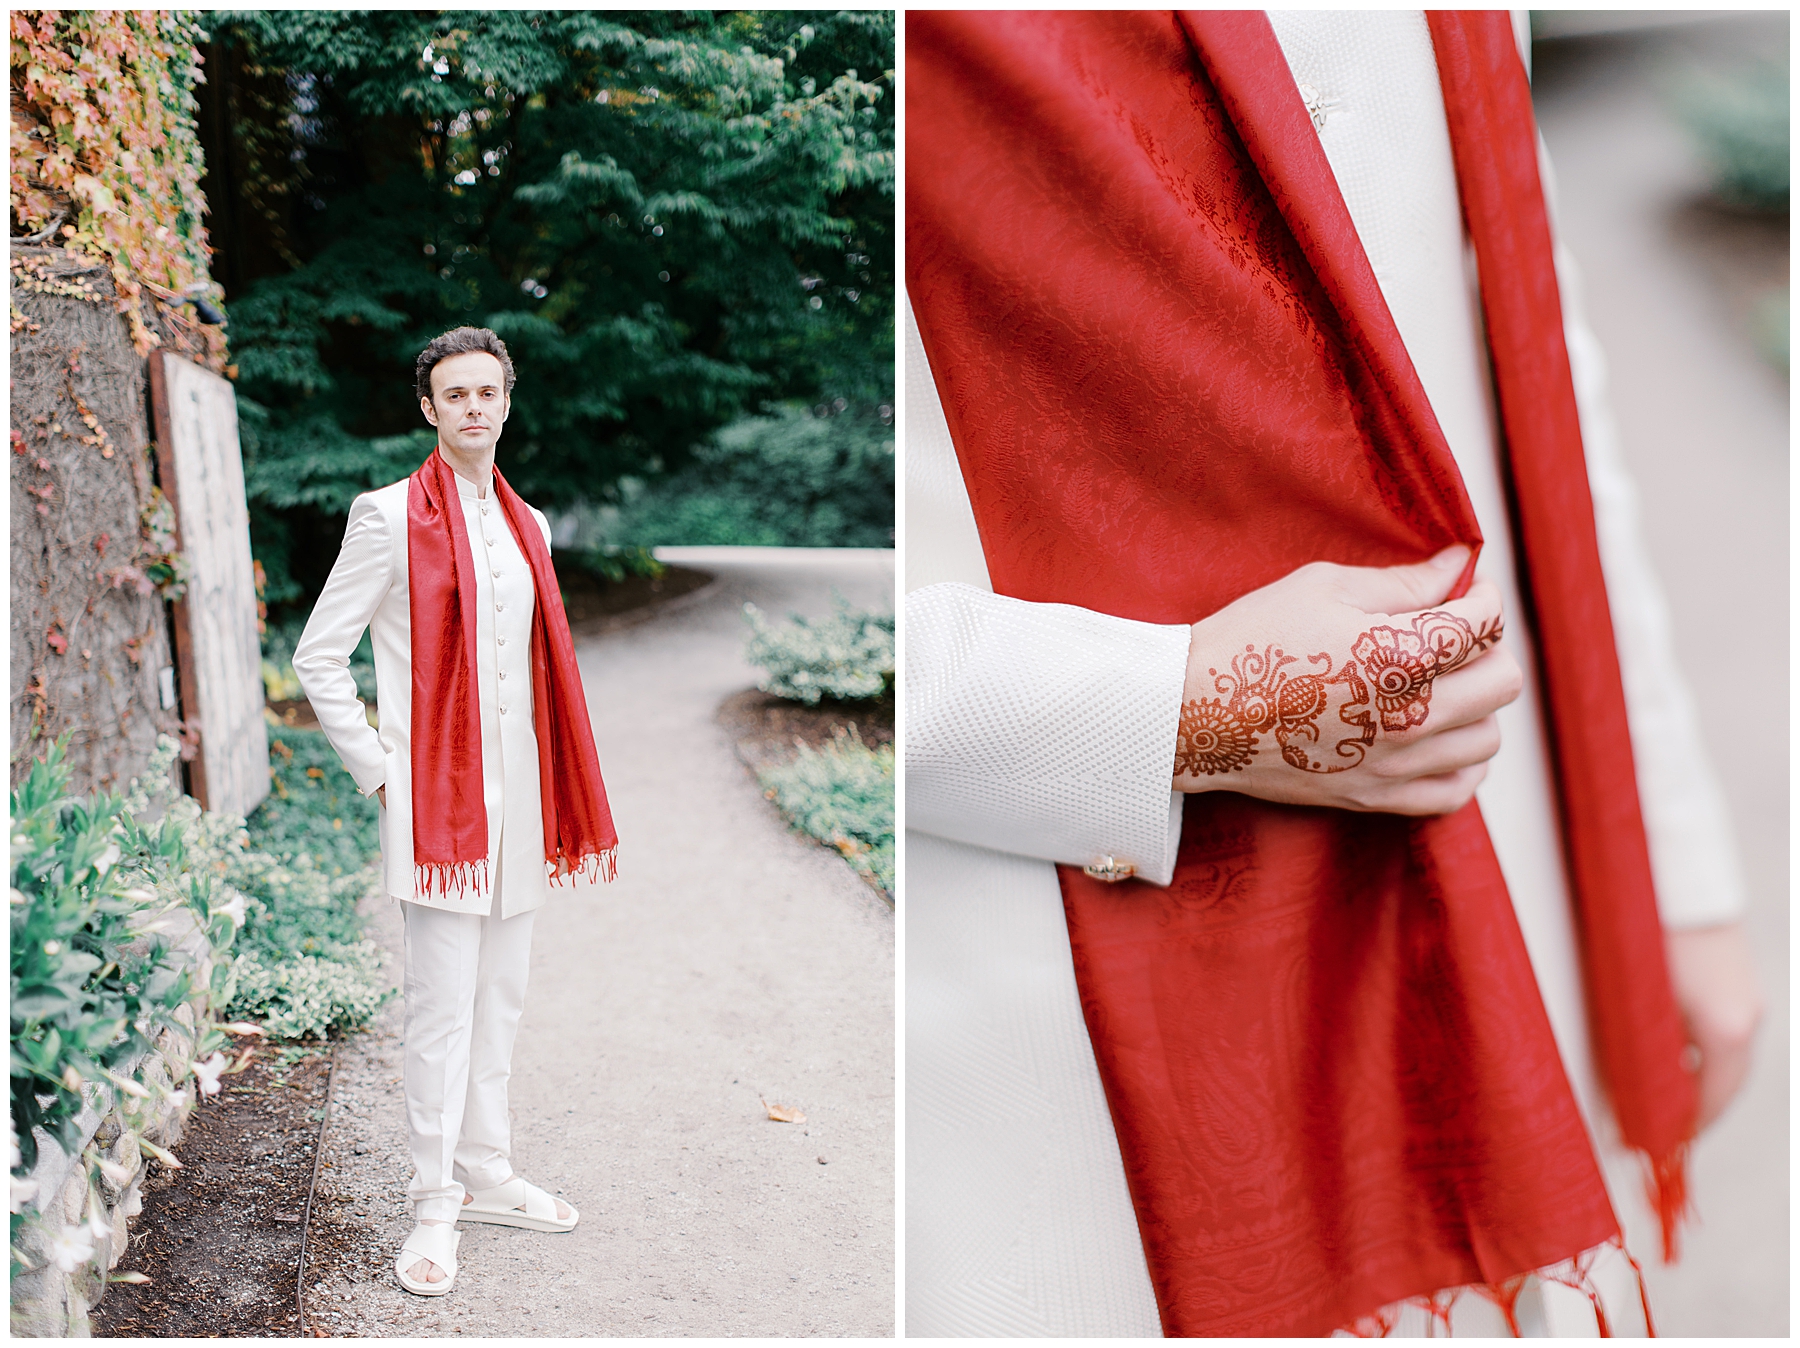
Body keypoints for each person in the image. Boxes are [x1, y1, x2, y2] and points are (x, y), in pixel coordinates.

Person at [905, 10, 1762, 1337]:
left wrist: (1673, 865)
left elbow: (1521, 294)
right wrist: (1180, 710)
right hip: (1060, 972)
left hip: (1508, 844)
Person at [294, 326, 618, 1296]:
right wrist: (382, 772)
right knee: (440, 1008)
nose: (474, 407)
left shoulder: (532, 526)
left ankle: (486, 1169)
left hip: (520, 800)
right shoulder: (387, 516)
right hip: (434, 805)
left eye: (489, 391)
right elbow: (319, 654)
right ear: (429, 410)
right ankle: (433, 1201)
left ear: (506, 403)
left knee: (502, 996)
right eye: (455, 394)